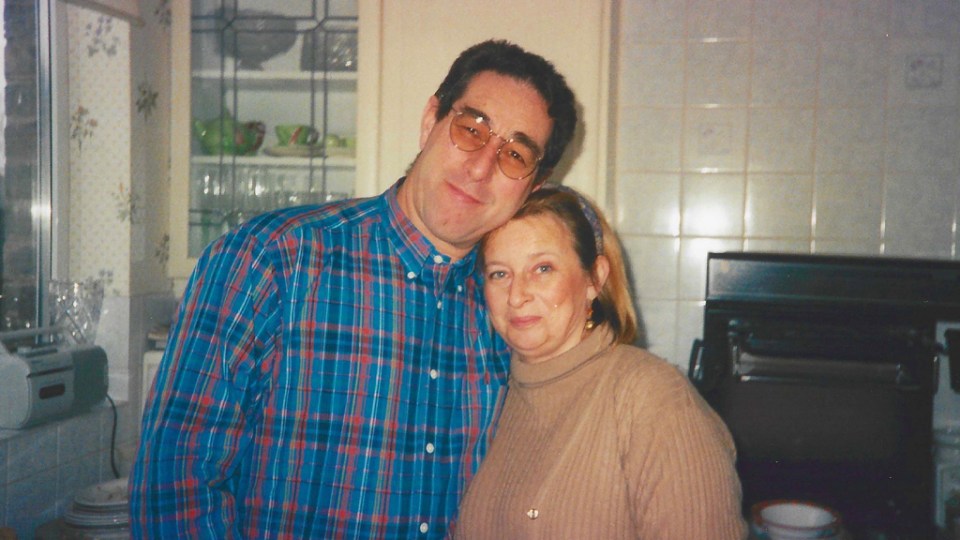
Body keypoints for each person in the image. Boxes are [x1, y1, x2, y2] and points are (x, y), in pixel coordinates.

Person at [129, 39, 577, 539]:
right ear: (431, 120)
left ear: (533, 186)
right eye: (471, 129)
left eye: (515, 154)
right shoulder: (272, 258)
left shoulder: (513, 312)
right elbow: (175, 492)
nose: (481, 167)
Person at [456, 186, 747, 539]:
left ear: (595, 278)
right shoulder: (492, 397)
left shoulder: (654, 399)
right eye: (499, 273)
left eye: (543, 268)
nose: (517, 295)